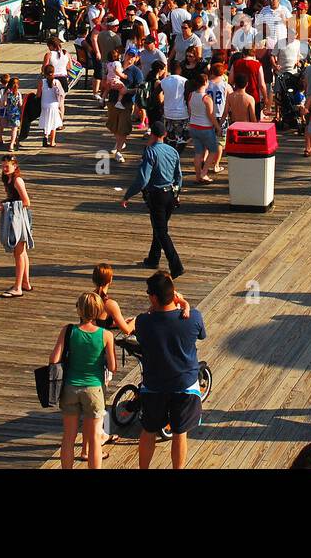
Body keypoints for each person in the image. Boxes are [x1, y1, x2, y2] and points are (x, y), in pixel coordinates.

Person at [134, 270, 207, 469]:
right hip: (185, 385)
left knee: (148, 431)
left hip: (154, 386)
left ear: (153, 297)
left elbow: (145, 321)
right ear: (173, 294)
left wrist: (154, 307)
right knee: (179, 432)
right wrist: (184, 305)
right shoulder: (193, 318)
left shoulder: (143, 322)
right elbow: (202, 335)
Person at [50, 292, 117, 469]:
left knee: (69, 438)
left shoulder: (68, 331)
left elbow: (54, 359)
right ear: (98, 311)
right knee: (95, 439)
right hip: (94, 390)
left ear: (79, 309)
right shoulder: (106, 335)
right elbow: (112, 367)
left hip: (70, 388)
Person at [122, 120, 186, 277]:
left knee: (162, 231)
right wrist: (177, 194)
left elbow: (143, 179)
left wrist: (128, 195)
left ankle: (176, 265)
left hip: (157, 195)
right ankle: (153, 258)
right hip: (170, 194)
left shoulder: (150, 152)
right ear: (164, 135)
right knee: (159, 227)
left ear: (152, 135)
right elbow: (179, 176)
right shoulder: (173, 151)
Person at [0, 154, 34, 298]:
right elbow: (14, 199)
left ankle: (18, 287)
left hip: (20, 219)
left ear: (15, 166)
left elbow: (26, 202)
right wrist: (3, 202)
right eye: (3, 166)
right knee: (22, 252)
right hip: (15, 217)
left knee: (18, 253)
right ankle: (25, 283)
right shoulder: (8, 179)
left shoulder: (17, 180)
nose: (4, 168)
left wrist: (7, 206)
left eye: (7, 166)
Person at [38, 62, 66, 147]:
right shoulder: (56, 82)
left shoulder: (41, 82)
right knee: (54, 123)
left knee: (46, 121)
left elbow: (38, 95)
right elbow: (62, 93)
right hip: (53, 105)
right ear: (53, 72)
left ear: (44, 73)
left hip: (44, 105)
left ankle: (45, 136)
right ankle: (52, 141)